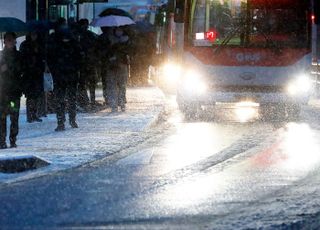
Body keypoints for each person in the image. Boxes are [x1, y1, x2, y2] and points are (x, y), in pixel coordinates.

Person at [47, 27, 82, 131]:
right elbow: (80, 60)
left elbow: (51, 60)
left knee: (63, 99)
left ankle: (63, 121)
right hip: (66, 76)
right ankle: (67, 120)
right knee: (68, 99)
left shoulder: (57, 45)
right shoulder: (73, 45)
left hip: (65, 76)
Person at [100, 26, 132, 112]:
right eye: (117, 30)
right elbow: (105, 52)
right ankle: (115, 104)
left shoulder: (126, 41)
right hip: (113, 65)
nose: (119, 32)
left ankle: (121, 103)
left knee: (121, 85)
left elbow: (129, 52)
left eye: (120, 30)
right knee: (113, 86)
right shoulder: (110, 40)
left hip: (121, 65)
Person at [0, 32, 23, 148]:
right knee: (2, 117)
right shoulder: (0, 56)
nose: (10, 42)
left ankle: (13, 139)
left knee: (14, 116)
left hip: (14, 91)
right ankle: (2, 140)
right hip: (2, 92)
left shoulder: (18, 56)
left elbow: (23, 71)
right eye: (8, 40)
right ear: (4, 41)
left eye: (12, 40)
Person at [20, 31, 45, 123]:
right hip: (29, 74)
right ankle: (30, 115)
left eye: (35, 34)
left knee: (36, 95)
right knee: (30, 95)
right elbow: (23, 58)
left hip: (37, 73)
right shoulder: (25, 45)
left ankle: (34, 114)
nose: (34, 36)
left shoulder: (39, 44)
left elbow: (42, 57)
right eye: (32, 34)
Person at [77, 18, 98, 110]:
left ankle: (86, 101)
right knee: (89, 83)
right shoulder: (90, 35)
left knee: (85, 83)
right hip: (87, 63)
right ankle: (89, 101)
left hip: (86, 63)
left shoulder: (79, 36)